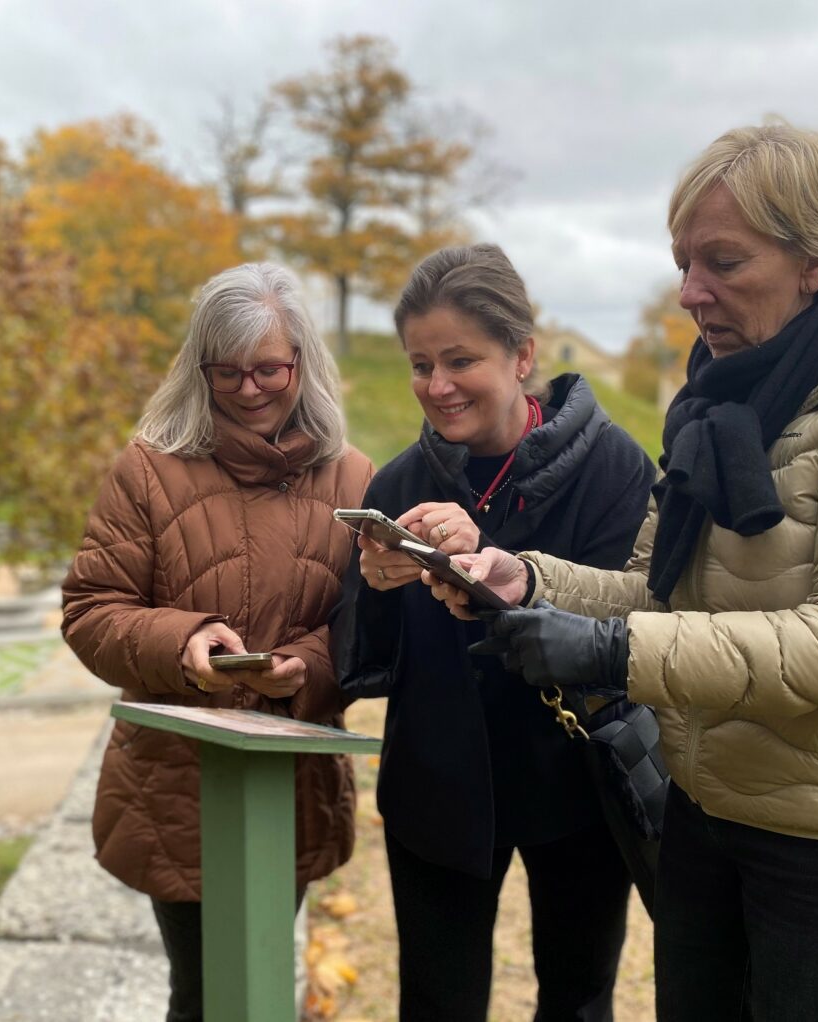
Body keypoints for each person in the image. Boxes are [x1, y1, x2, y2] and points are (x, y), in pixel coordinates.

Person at [430, 122, 818, 1021]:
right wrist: (525, 581)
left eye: (724, 262)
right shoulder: (719, 399)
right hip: (700, 805)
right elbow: (659, 592)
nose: (691, 292)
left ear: (815, 261)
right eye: (684, 261)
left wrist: (609, 653)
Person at [334, 243, 657, 1021]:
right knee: (438, 1005)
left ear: (522, 356)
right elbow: (367, 660)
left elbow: (630, 628)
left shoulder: (615, 468)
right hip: (437, 784)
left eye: (459, 360)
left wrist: (480, 554)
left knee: (579, 1001)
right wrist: (374, 587)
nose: (436, 387)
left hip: (577, 782)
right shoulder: (400, 482)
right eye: (419, 364)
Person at [61, 263, 372, 1022]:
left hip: (289, 778)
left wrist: (309, 668)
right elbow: (90, 609)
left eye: (268, 368)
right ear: (199, 367)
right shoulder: (147, 470)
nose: (248, 387)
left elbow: (369, 630)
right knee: (202, 994)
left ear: (303, 362)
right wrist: (185, 640)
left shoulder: (353, 479)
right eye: (226, 370)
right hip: (175, 782)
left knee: (267, 977)